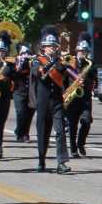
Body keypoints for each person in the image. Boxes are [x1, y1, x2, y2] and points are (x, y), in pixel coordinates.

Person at [31, 31, 71, 174]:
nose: (52, 48)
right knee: (43, 132)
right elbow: (37, 73)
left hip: (57, 100)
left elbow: (65, 77)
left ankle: (62, 162)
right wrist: (50, 65)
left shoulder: (61, 61)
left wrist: (64, 66)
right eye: (49, 46)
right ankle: (41, 160)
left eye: (54, 46)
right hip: (43, 101)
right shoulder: (37, 60)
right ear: (43, 47)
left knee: (60, 131)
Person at [65, 37, 96, 158]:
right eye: (81, 51)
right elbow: (64, 77)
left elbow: (94, 79)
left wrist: (86, 80)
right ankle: (73, 149)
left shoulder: (90, 63)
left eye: (85, 51)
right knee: (72, 124)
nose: (83, 53)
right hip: (73, 96)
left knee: (86, 121)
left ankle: (81, 143)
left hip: (85, 97)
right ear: (77, 51)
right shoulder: (69, 61)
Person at [11, 40, 36, 142]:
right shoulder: (15, 61)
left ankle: (25, 133)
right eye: (23, 53)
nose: (26, 55)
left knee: (29, 113)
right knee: (21, 112)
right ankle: (19, 132)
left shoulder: (33, 62)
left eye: (28, 53)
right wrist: (19, 65)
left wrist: (33, 62)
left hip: (31, 91)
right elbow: (13, 75)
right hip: (19, 91)